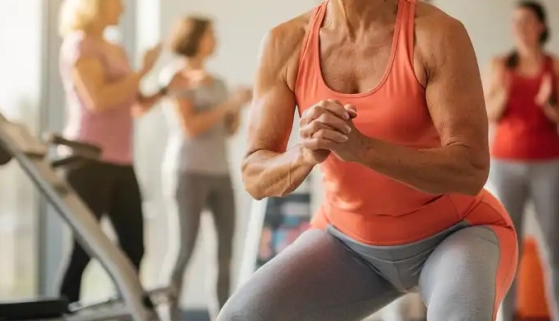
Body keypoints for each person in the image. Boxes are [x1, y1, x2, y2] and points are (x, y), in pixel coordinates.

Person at [220, 0, 518, 320]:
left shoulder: (436, 33)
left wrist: (363, 149)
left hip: (456, 233)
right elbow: (255, 174)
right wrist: (305, 152)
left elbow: (471, 169)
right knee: (241, 316)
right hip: (347, 243)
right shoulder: (287, 42)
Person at [56, 0, 164, 304]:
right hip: (87, 161)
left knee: (134, 249)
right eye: (117, 3)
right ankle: (61, 312)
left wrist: (165, 89)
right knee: (84, 250)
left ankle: (123, 311)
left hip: (120, 160)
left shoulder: (116, 48)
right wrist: (143, 70)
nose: (122, 9)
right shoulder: (79, 45)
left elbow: (135, 105)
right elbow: (98, 100)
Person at [157, 15, 252, 321]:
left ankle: (222, 315)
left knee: (224, 255)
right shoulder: (176, 78)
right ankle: (168, 315)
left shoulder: (218, 82)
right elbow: (191, 127)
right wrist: (227, 105)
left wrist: (237, 107)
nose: (215, 39)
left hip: (220, 173)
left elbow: (227, 130)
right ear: (195, 38)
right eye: (210, 34)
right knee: (184, 250)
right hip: (187, 172)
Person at [484, 2, 559, 321]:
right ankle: (506, 318)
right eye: (515, 22)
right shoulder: (499, 65)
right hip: (506, 164)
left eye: (526, 21)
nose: (519, 27)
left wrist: (549, 102)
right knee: (510, 248)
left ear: (540, 26)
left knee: (553, 247)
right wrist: (504, 92)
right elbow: (489, 114)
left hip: (549, 164)